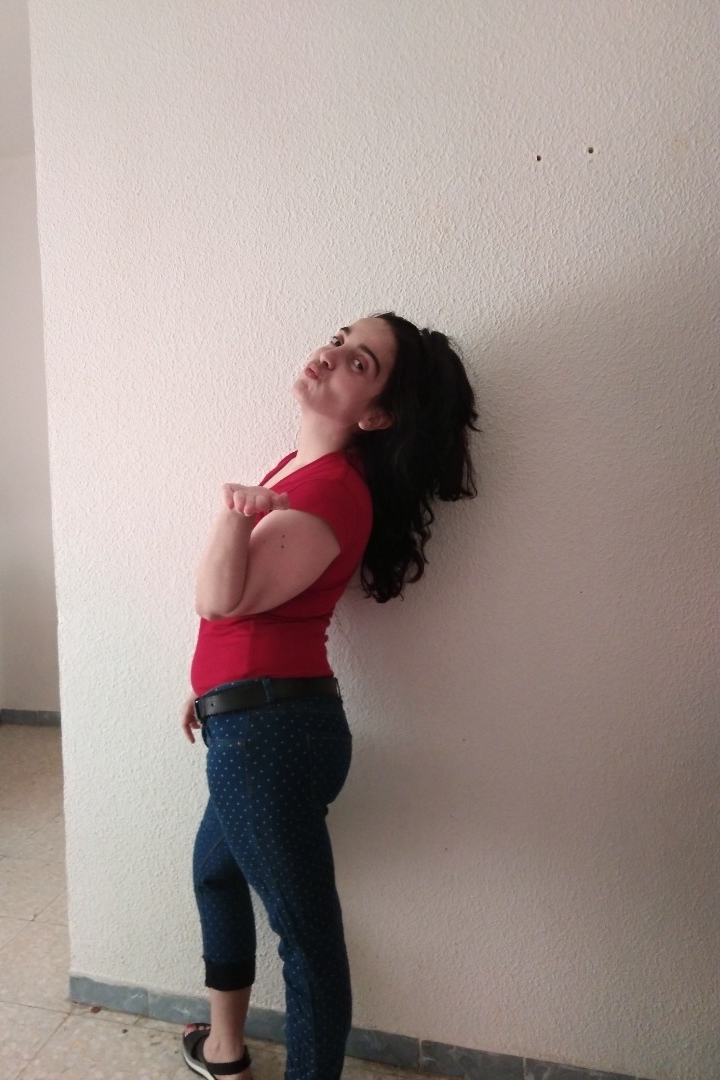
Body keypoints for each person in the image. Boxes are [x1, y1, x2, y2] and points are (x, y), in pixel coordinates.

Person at [181, 313, 478, 1080]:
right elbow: (254, 615)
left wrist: (232, 514)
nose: (333, 353)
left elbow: (220, 599)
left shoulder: (330, 491)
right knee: (215, 872)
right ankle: (223, 1049)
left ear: (375, 416)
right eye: (341, 339)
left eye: (361, 362)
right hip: (253, 720)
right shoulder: (299, 471)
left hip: (269, 735)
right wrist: (205, 692)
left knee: (306, 938)